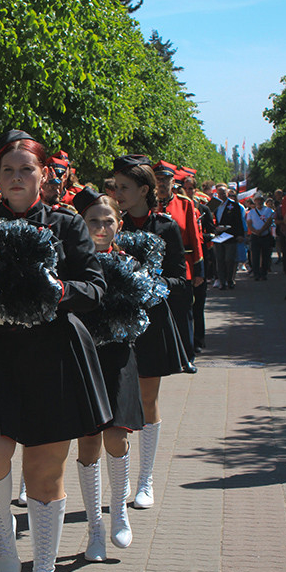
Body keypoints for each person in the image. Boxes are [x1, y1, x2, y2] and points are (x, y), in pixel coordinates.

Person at [0, 130, 111, 572]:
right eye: (7, 171)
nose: (16, 178)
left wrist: (58, 290)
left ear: (44, 175)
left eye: (26, 169)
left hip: (52, 355)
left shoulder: (67, 226)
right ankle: (3, 535)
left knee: (43, 472)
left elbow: (95, 286)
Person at [112, 155, 189, 511]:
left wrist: (150, 284)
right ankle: (121, 479)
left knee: (147, 400)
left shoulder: (166, 226)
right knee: (116, 404)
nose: (118, 193)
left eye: (124, 187)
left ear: (144, 189)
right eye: (115, 187)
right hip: (116, 322)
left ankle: (146, 481)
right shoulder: (112, 224)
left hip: (152, 323)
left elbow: (180, 278)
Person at [72, 188, 141, 561]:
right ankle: (94, 530)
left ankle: (120, 509)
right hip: (82, 357)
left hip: (117, 357)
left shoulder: (131, 263)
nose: (101, 228)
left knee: (116, 437)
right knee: (87, 442)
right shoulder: (73, 264)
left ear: (119, 223)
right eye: (93, 221)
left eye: (108, 221)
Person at [154, 163, 202, 369]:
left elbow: (194, 237)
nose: (162, 184)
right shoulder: (147, 204)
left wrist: (199, 269)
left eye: (166, 180)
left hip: (182, 267)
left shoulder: (185, 204)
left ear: (174, 182)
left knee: (183, 314)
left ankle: (187, 357)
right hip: (155, 268)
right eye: (159, 180)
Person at [184, 177, 214, 352]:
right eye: (185, 188)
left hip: (201, 257)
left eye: (190, 189)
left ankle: (199, 339)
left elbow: (211, 231)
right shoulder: (180, 209)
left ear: (195, 191)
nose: (188, 191)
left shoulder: (203, 209)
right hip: (186, 261)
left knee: (199, 304)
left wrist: (206, 236)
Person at [210, 184, 245, 289]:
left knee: (229, 259)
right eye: (220, 193)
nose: (222, 195)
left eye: (224, 193)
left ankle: (229, 279)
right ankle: (222, 281)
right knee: (219, 259)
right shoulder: (214, 204)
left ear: (227, 193)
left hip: (230, 235)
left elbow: (239, 221)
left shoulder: (233, 205)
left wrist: (240, 235)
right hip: (218, 235)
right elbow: (208, 217)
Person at [246, 195, 274, 281]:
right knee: (255, 255)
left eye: (260, 200)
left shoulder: (268, 210)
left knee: (266, 255)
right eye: (257, 200)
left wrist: (261, 230)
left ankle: (264, 273)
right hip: (255, 236)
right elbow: (249, 223)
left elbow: (269, 222)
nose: (259, 202)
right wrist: (255, 231)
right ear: (254, 202)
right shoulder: (251, 212)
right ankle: (256, 273)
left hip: (265, 235)